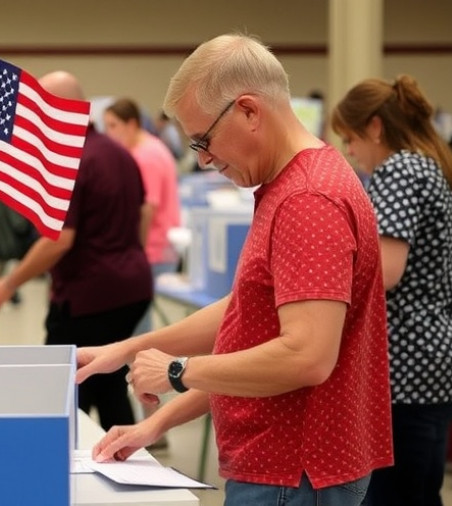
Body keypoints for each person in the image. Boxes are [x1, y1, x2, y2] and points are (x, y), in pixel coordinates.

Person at [79, 34, 392, 506]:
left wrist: (177, 370)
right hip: (284, 467)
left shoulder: (307, 199)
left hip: (293, 470)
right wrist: (136, 357)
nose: (203, 159)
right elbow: (249, 316)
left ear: (248, 110)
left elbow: (304, 356)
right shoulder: (291, 184)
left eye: (203, 140)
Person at [0, 72, 151, 431]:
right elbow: (143, 213)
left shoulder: (72, 161)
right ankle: (129, 460)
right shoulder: (118, 152)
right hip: (130, 288)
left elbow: (59, 240)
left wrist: (9, 284)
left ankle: (66, 469)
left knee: (67, 392)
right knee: (107, 382)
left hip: (90, 296)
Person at [332, 75, 452, 506]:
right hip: (428, 360)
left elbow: (384, 271)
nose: (350, 151)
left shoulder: (399, 170)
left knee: (397, 493)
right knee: (420, 488)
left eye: (350, 138)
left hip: (404, 366)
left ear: (376, 127)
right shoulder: (427, 165)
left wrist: (321, 280)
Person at [104, 98, 181, 334]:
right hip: (155, 248)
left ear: (131, 124)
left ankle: (137, 370)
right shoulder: (148, 148)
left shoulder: (146, 156)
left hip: (153, 249)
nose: (108, 133)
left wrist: (135, 252)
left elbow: (147, 208)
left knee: (138, 325)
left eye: (113, 126)